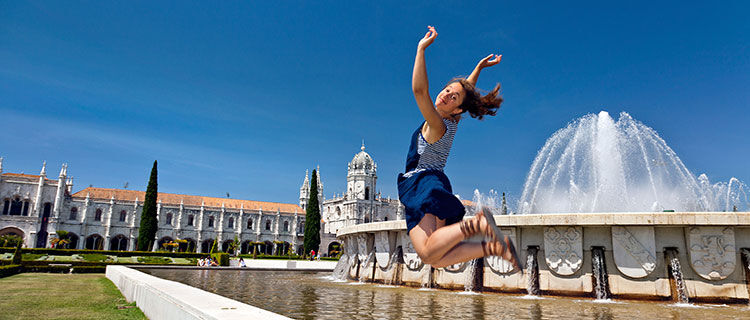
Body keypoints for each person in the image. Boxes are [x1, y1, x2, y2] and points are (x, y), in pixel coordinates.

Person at [398, 26, 523, 270]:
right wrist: (478, 68)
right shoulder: (452, 119)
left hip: (424, 185)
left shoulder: (437, 123)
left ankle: (476, 225)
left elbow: (419, 91)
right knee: (431, 257)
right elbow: (464, 92)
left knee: (429, 251)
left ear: (456, 109)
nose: (446, 95)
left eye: (452, 97)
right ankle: (493, 246)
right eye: (446, 90)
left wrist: (421, 48)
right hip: (429, 184)